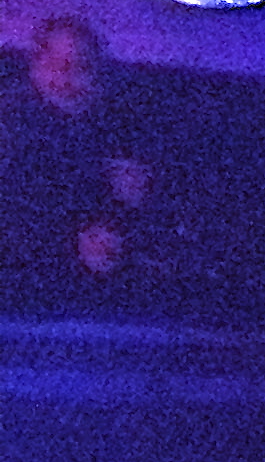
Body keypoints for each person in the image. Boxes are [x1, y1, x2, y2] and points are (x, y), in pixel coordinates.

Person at [1, 18, 160, 296]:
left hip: (104, 283)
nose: (66, 75)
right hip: (20, 275)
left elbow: (144, 211)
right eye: (56, 64)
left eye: (80, 66)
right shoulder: (10, 122)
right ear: (35, 64)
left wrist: (132, 206)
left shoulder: (119, 125)